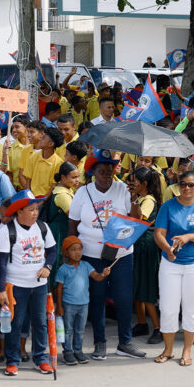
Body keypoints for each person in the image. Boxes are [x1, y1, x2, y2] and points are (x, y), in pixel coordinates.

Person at [67, 150, 145, 360]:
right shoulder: (83, 193)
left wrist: (135, 197)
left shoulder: (123, 189)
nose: (107, 175)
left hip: (121, 253)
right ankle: (100, 343)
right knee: (98, 298)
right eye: (102, 172)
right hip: (92, 254)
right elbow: (73, 224)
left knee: (123, 297)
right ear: (93, 173)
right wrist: (72, 254)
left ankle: (125, 342)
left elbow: (136, 219)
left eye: (110, 171)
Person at [152, 171, 194, 367]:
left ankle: (187, 350)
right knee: (168, 308)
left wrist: (188, 237)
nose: (187, 188)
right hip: (170, 264)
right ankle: (168, 349)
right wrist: (168, 249)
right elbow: (159, 233)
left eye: (191, 185)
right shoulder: (168, 206)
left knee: (191, 309)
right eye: (183, 184)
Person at [0, 190, 58, 376]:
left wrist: (48, 266)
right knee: (16, 323)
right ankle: (12, 360)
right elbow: (1, 262)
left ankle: (41, 358)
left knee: (40, 323)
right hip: (15, 286)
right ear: (19, 211)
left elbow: (53, 251)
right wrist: (0, 289)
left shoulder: (43, 227)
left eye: (36, 209)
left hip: (39, 285)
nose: (35, 213)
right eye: (30, 210)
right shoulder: (6, 231)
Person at [55, 236, 107, 365]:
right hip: (68, 304)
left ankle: (78, 350)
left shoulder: (86, 265)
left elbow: (96, 277)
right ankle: (67, 351)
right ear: (66, 252)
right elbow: (59, 289)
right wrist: (59, 306)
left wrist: (103, 274)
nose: (77, 252)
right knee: (68, 329)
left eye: (79, 249)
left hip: (84, 304)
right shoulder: (63, 269)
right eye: (73, 250)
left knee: (80, 329)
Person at [128, 166, 163, 344]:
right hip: (138, 244)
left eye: (134, 181)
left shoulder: (148, 199)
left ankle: (158, 328)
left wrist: (134, 199)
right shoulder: (140, 197)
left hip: (147, 246)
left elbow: (141, 218)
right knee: (137, 284)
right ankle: (142, 323)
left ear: (144, 183)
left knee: (147, 287)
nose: (131, 184)